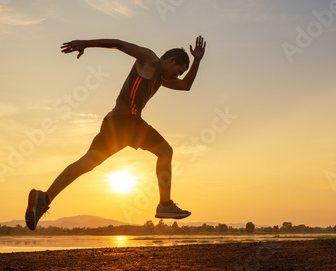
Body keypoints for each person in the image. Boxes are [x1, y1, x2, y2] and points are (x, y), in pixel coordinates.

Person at [25, 36, 206, 230]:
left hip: (113, 123)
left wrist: (197, 60)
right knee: (166, 152)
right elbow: (119, 44)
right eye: (177, 71)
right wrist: (86, 43)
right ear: (171, 60)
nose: (176, 77)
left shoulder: (160, 79)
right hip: (127, 121)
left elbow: (186, 86)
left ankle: (45, 197)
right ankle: (165, 204)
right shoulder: (151, 60)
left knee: (87, 162)